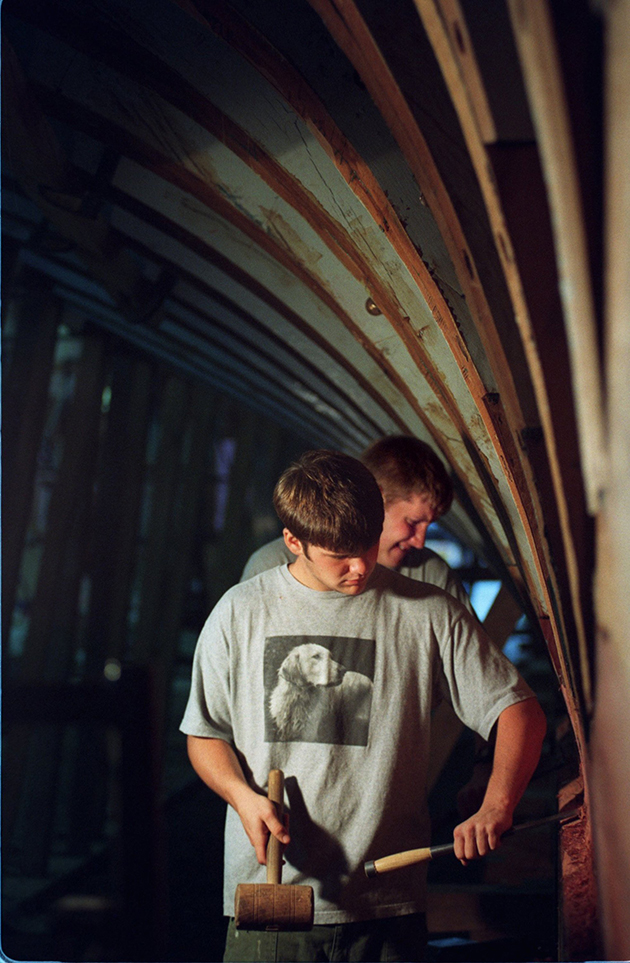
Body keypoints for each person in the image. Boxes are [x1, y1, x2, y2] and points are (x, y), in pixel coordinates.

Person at [181, 450, 546, 963]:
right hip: (274, 893)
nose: (359, 568)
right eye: (339, 556)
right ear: (293, 541)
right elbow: (205, 734)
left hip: (387, 898)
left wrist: (497, 803)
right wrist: (242, 797)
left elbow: (518, 711)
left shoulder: (431, 611)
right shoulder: (239, 611)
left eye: (367, 546)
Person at [241, 435, 471, 613]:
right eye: (412, 522)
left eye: (429, 525)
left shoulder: (434, 576)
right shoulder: (271, 567)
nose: (420, 541)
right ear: (376, 499)